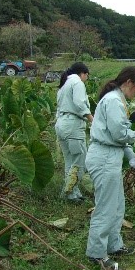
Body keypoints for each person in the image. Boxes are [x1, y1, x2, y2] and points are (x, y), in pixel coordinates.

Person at [85, 66, 135, 270]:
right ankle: (96, 253)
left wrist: (131, 157)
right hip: (103, 157)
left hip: (110, 155)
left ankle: (114, 245)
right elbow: (119, 134)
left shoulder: (117, 99)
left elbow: (117, 137)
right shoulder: (113, 101)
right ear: (128, 82)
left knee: (117, 204)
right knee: (106, 206)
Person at [54, 62, 93, 203]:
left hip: (61, 123)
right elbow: (79, 103)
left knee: (70, 160)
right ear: (83, 73)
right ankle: (69, 192)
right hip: (72, 125)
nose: (86, 79)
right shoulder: (77, 83)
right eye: (87, 76)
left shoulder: (64, 84)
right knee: (80, 159)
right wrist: (91, 119)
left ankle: (72, 192)